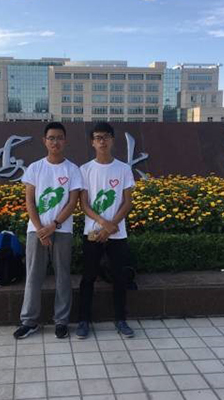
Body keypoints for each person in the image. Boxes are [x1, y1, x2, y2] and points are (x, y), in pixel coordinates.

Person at [13, 122, 82, 340]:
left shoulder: (73, 169)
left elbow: (73, 202)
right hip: (36, 230)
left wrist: (54, 225)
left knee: (63, 275)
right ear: (44, 141)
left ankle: (61, 321)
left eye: (59, 138)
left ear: (65, 141)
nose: (55, 142)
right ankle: (29, 321)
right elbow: (30, 201)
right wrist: (40, 229)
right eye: (51, 138)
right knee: (33, 275)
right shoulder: (34, 168)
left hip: (62, 230)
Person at [77, 122, 135, 339]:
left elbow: (127, 202)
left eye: (106, 137)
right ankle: (84, 320)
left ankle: (121, 319)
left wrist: (111, 227)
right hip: (92, 232)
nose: (102, 141)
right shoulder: (85, 170)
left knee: (119, 277)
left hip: (117, 234)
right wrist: (103, 223)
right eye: (98, 138)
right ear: (92, 142)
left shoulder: (123, 169)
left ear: (112, 140)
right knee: (88, 277)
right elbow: (83, 204)